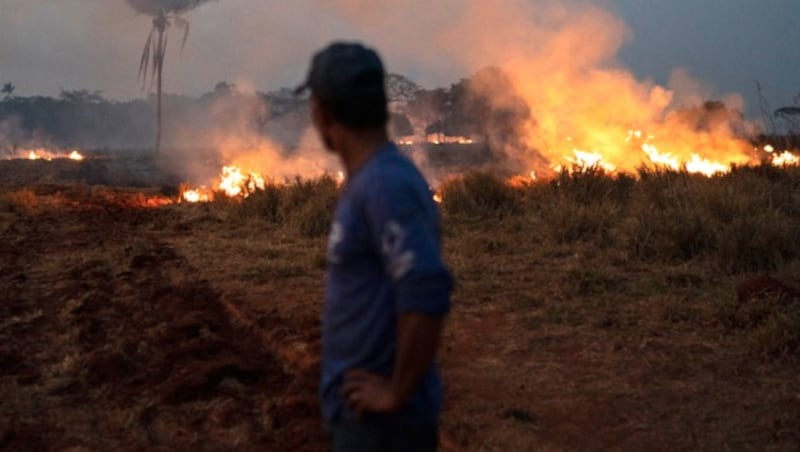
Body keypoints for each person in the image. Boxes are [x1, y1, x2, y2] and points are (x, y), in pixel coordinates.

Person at [295, 42, 454, 451]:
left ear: (323, 113)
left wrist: (396, 391)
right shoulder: (369, 180)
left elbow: (427, 287)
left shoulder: (386, 185)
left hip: (383, 429)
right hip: (358, 415)